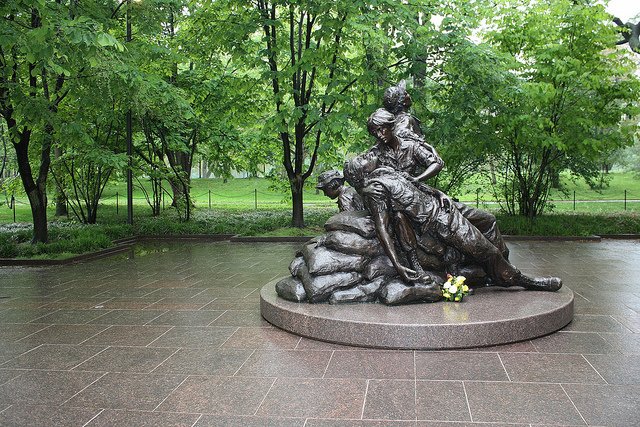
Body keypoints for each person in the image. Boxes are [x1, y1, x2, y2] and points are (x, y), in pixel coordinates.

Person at [343, 151, 562, 292]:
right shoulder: (373, 191)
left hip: (445, 205)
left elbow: (416, 184)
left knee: (489, 221)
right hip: (441, 221)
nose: (368, 154)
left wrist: (440, 193)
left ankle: (498, 269)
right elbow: (382, 229)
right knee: (487, 251)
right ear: (359, 174)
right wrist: (399, 265)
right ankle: (521, 280)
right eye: (361, 160)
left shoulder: (384, 170)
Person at [368, 107, 510, 259]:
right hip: (405, 206)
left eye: (381, 129)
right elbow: (365, 178)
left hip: (426, 195)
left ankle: (503, 262)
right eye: (375, 132)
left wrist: (418, 179)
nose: (379, 135)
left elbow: (436, 163)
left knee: (488, 219)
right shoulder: (375, 153)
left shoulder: (410, 146)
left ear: (391, 126)